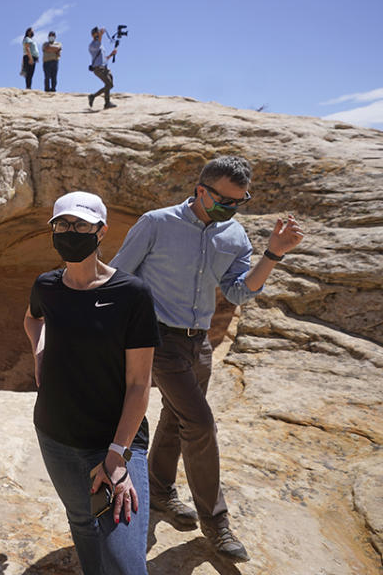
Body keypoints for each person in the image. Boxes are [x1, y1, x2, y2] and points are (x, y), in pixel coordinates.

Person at [110, 156, 305, 563]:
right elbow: (119, 275)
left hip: (199, 343)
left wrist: (273, 254)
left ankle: (160, 493)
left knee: (176, 419)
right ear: (201, 189)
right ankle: (215, 522)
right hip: (156, 338)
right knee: (200, 423)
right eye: (225, 200)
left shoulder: (234, 235)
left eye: (239, 201)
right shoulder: (157, 222)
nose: (231, 209)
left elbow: (237, 292)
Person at [23, 191, 159, 575]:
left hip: (112, 442)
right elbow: (33, 318)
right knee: (82, 522)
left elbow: (138, 384)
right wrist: (40, 351)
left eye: (81, 225)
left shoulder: (131, 294)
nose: (70, 232)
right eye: (62, 225)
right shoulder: (47, 286)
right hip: (56, 435)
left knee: (125, 563)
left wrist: (116, 456)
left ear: (100, 232)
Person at [88, 27, 116, 109]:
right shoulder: (92, 45)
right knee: (108, 84)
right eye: (96, 33)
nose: (98, 34)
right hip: (98, 68)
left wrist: (111, 54)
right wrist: (101, 35)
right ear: (93, 35)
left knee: (110, 85)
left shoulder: (101, 46)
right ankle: (95, 97)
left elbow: (104, 58)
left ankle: (105, 102)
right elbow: (99, 41)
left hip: (105, 68)